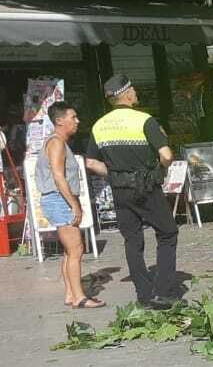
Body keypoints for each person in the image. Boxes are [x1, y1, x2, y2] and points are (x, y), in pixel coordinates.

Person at [83, 74, 180, 310]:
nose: (136, 93)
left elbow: (90, 163)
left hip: (120, 190)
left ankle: (144, 295)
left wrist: (114, 174)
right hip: (146, 187)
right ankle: (164, 292)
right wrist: (161, 169)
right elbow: (166, 155)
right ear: (126, 94)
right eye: (133, 90)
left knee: (132, 240)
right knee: (167, 233)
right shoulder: (144, 121)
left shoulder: (99, 126)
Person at [39, 102, 102, 309]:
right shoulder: (56, 143)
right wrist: (74, 204)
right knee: (76, 248)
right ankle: (79, 297)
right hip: (59, 199)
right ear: (59, 121)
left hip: (58, 199)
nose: (77, 121)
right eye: (73, 117)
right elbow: (58, 176)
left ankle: (70, 293)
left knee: (69, 250)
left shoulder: (60, 143)